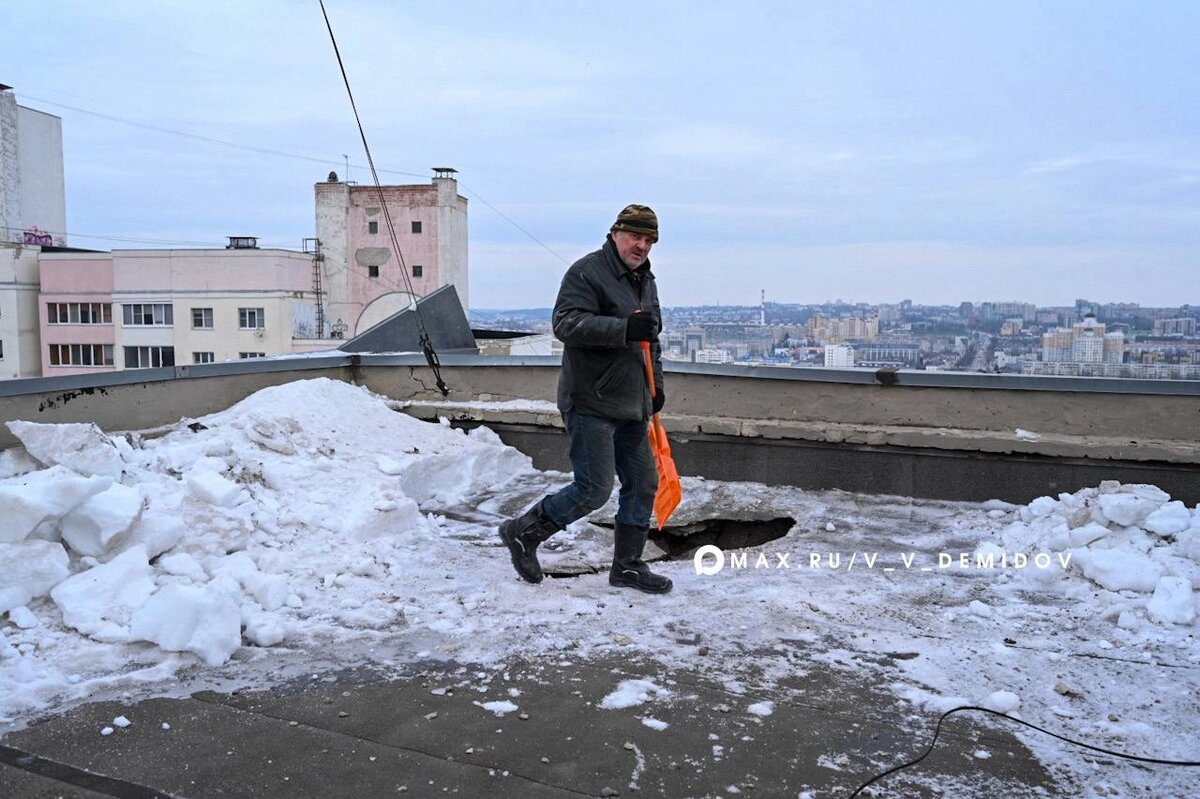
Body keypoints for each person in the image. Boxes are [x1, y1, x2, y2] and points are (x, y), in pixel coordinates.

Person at [498, 204, 672, 594]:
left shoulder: (645, 280)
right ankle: (523, 532)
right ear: (616, 233)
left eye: (649, 240)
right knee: (594, 489)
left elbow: (651, 341)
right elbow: (566, 324)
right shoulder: (587, 272)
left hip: (632, 403)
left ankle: (627, 566)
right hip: (591, 400)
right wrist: (623, 328)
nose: (642, 246)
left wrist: (655, 387)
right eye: (635, 237)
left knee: (643, 483)